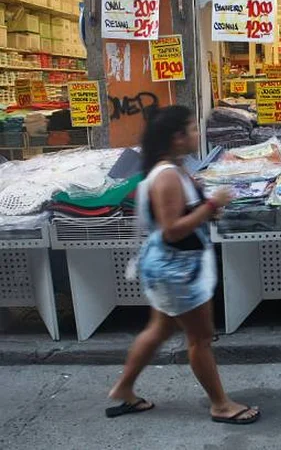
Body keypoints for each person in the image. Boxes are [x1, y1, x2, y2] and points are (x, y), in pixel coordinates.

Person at [106, 105, 260, 425]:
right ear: (177, 138)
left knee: (159, 329)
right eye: (191, 129)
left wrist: (206, 208)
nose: (196, 134)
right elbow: (172, 229)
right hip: (177, 271)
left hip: (172, 267)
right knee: (200, 339)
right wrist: (211, 206)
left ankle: (123, 389)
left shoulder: (174, 170)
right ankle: (220, 404)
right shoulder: (167, 178)